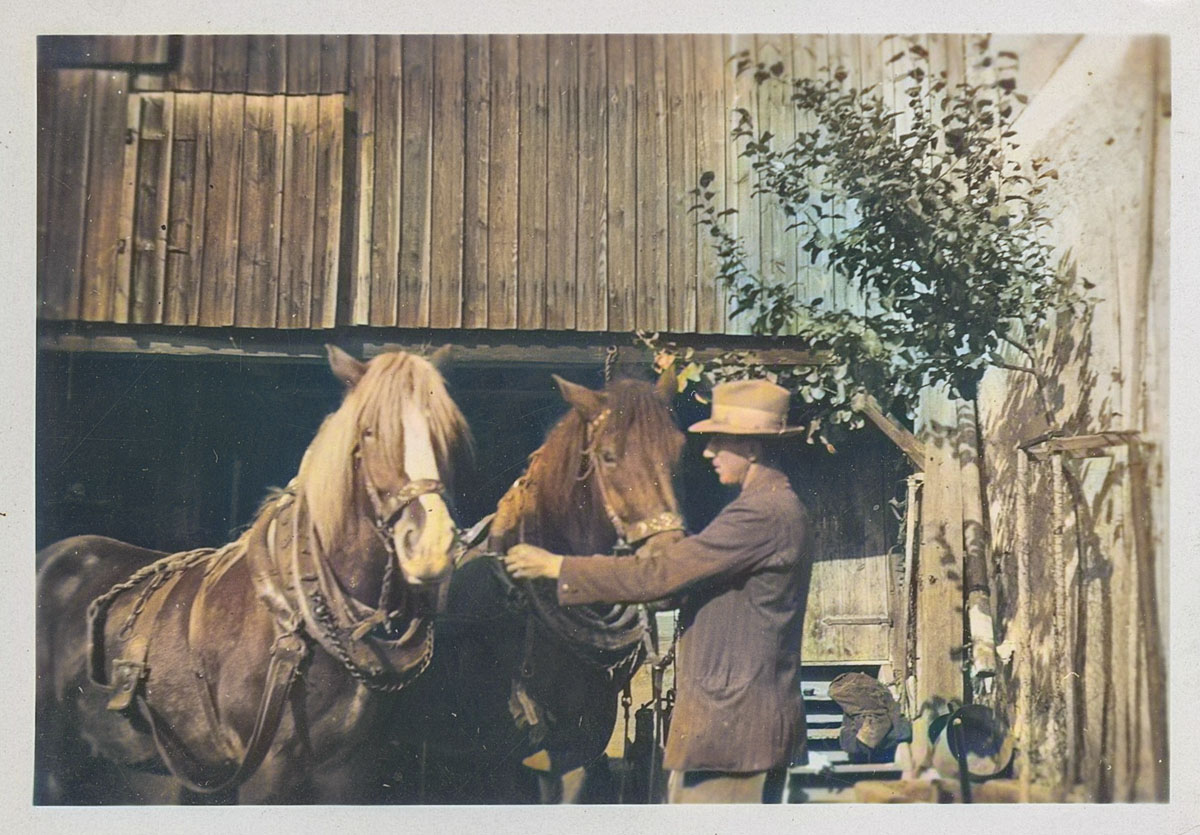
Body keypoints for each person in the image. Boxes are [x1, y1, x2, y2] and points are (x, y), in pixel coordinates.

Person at [504, 378, 813, 804]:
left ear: (752, 448)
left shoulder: (760, 515)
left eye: (717, 442)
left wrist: (558, 566)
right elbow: (677, 585)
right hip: (735, 732)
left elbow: (663, 574)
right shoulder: (771, 509)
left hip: (734, 737)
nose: (706, 453)